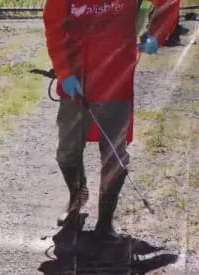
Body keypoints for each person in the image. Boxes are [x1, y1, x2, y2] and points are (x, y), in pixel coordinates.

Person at [43, 0, 177, 237]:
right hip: (76, 82)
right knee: (67, 151)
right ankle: (76, 198)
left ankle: (105, 221)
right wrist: (64, 73)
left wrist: (156, 34)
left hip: (116, 81)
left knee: (114, 155)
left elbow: (169, 2)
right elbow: (53, 27)